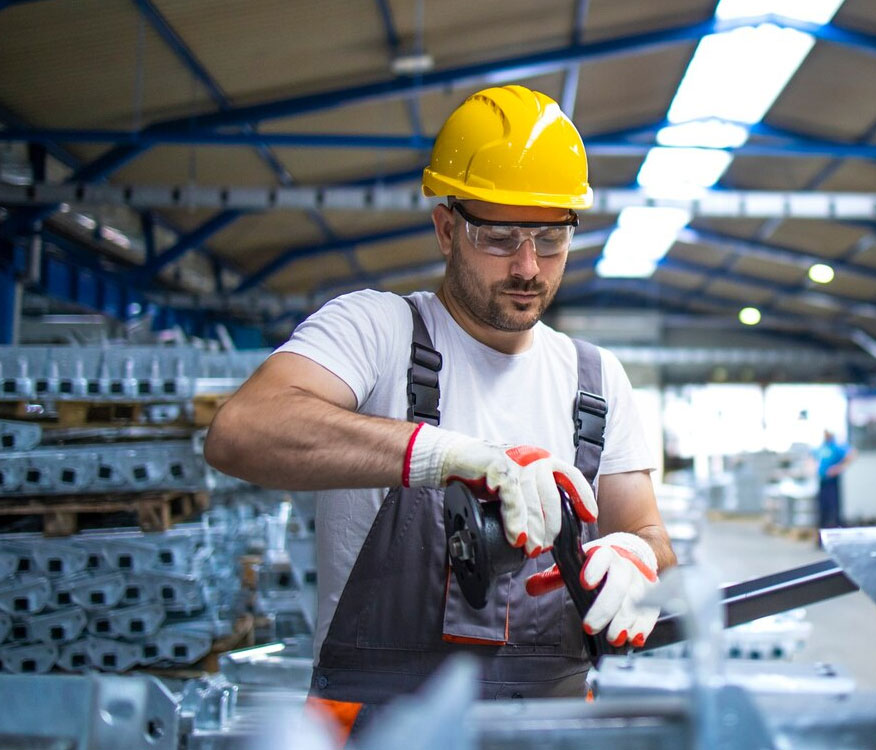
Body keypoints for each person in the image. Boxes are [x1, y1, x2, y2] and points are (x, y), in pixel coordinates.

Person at [204, 85, 674, 736]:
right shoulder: (376, 332)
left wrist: (635, 557)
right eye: (500, 237)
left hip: (553, 727)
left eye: (550, 239)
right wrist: (445, 455)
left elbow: (649, 535)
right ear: (446, 229)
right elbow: (241, 431)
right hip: (376, 728)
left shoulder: (594, 380)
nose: (528, 267)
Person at [815, 429, 855, 531]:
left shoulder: (836, 447)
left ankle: (834, 528)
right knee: (822, 508)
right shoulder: (822, 447)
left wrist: (839, 468)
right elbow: (812, 456)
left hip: (832, 482)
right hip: (822, 481)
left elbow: (852, 454)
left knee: (833, 507)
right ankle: (822, 530)